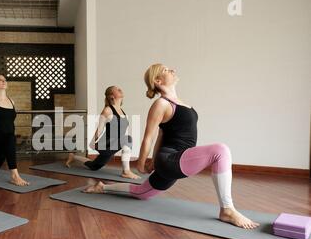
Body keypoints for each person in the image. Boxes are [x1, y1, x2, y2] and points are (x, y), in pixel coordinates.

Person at [84, 63, 260, 229]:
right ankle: (227, 210)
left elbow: (162, 133)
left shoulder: (181, 103)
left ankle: (103, 187)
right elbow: (149, 136)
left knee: (142, 192)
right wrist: (141, 163)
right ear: (157, 81)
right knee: (221, 151)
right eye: (166, 69)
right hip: (170, 160)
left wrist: (153, 161)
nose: (172, 70)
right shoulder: (161, 103)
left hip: (176, 159)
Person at [65, 86, 140, 179]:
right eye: (116, 89)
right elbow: (100, 129)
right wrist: (93, 142)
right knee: (127, 139)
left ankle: (73, 156)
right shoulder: (108, 110)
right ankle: (126, 171)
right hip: (106, 145)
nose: (119, 88)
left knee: (94, 166)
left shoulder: (122, 111)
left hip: (114, 145)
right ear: (112, 96)